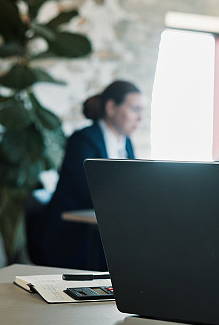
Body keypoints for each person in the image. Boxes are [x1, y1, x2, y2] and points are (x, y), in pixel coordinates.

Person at [33, 80, 144, 270]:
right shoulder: (83, 140)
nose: (140, 118)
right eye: (135, 109)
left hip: (104, 232)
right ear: (111, 108)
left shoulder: (125, 143)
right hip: (74, 235)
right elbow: (91, 194)